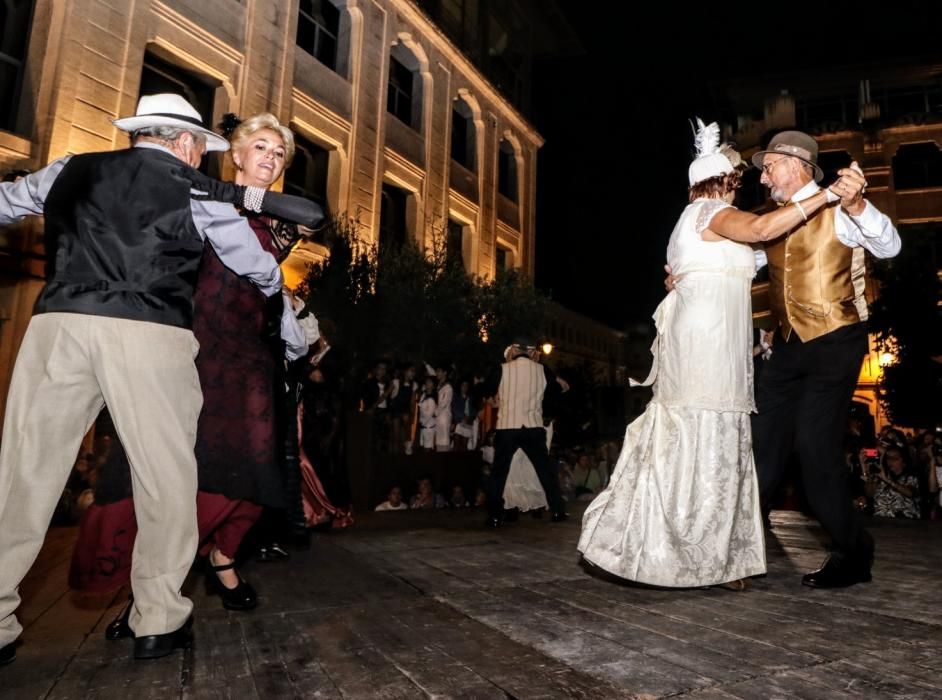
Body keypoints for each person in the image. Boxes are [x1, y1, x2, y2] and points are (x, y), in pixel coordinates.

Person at [0, 94, 314, 663]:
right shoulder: (195, 188)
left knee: (22, 473)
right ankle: (158, 618)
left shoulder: (71, 168)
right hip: (149, 330)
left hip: (58, 326)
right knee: (165, 477)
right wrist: (285, 312)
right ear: (186, 142)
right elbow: (256, 265)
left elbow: (6, 202)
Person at [70, 111, 326, 637]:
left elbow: (312, 213)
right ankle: (153, 590)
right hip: (189, 344)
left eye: (279, 154)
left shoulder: (277, 213)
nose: (271, 159)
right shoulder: (199, 195)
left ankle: (222, 556)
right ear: (234, 154)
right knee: (171, 471)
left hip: (251, 354)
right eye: (260, 148)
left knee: (252, 473)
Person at [578, 119, 850, 589]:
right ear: (720, 182)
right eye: (737, 181)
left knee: (714, 440)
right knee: (704, 435)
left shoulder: (711, 226)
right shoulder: (708, 213)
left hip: (714, 344)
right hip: (705, 346)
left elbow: (761, 249)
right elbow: (766, 226)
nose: (743, 187)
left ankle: (711, 557)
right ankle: (685, 553)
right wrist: (825, 196)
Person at [749, 130, 900, 588]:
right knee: (761, 446)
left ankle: (854, 552)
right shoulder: (771, 220)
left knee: (814, 450)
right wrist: (686, 277)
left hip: (836, 341)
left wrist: (856, 205)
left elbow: (889, 246)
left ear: (796, 166)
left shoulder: (838, 208)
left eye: (769, 165)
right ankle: (739, 544)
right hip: (787, 347)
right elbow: (737, 265)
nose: (762, 176)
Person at [480, 338, 569, 528]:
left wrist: (491, 396)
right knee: (545, 471)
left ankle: (495, 516)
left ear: (513, 350)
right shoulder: (542, 370)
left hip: (507, 427)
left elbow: (486, 389)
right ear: (530, 352)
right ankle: (558, 510)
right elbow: (555, 392)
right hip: (533, 427)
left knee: (498, 473)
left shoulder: (502, 369)